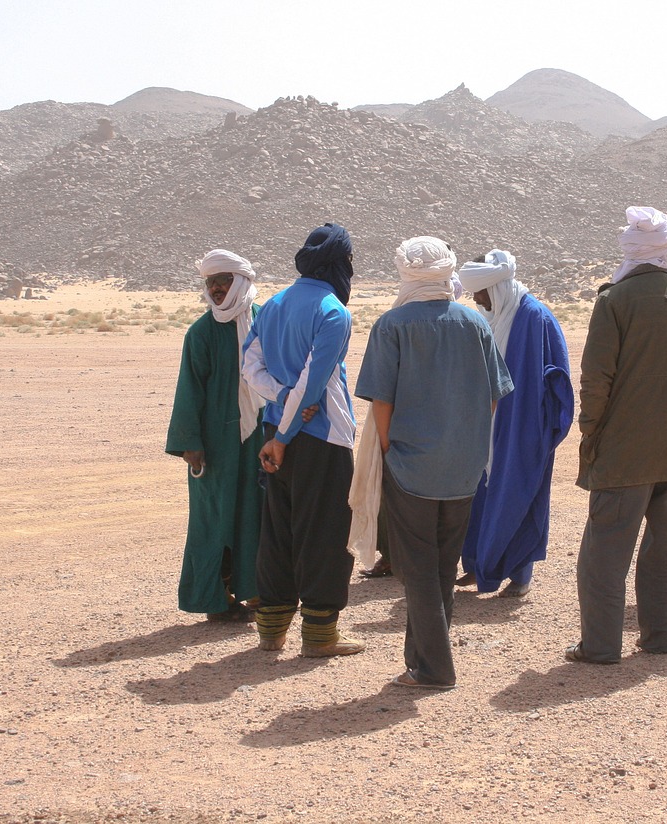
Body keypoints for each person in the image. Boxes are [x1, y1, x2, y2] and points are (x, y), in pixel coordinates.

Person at [352, 236, 513, 689]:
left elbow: (381, 401)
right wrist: (468, 440)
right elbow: (493, 396)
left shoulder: (392, 325)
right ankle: (419, 660)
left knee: (418, 570)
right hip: (462, 466)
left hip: (410, 465)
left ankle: (435, 669)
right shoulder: (474, 323)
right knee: (442, 565)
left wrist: (387, 448)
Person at [569, 207, 667, 664]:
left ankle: (600, 645)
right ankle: (660, 637)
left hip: (623, 450)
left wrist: (591, 434)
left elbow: (596, 380)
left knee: (605, 553)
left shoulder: (615, 301)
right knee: (665, 551)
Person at [240, 223, 363, 656]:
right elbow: (313, 383)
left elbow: (249, 363)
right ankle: (320, 636)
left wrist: (279, 403)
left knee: (279, 529)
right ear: (340, 263)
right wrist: (289, 428)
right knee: (325, 533)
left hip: (276, 429)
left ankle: (271, 631)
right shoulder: (333, 311)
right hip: (320, 436)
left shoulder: (272, 305)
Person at [455, 249, 574, 598]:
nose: (477, 299)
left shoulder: (534, 318)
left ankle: (519, 576)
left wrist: (539, 431)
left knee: (520, 496)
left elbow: (557, 379)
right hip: (487, 427)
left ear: (498, 287)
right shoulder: (491, 316)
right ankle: (480, 565)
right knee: (479, 497)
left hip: (523, 429)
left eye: (481, 292)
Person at [165, 249, 266, 621]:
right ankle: (215, 599)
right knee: (214, 516)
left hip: (261, 436)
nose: (218, 288)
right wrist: (190, 444)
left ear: (241, 282)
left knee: (257, 511)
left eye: (225, 281)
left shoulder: (263, 322)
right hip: (216, 445)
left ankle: (259, 593)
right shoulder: (202, 333)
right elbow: (189, 390)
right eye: (212, 283)